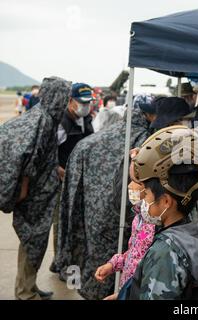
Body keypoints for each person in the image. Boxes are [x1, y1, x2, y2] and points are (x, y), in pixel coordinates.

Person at [55, 95, 154, 300]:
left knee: (96, 268)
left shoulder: (88, 143)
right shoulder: (146, 141)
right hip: (127, 219)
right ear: (148, 114)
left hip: (92, 217)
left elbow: (70, 193)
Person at [121, 126, 198, 300]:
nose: (143, 200)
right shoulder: (190, 234)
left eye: (147, 193)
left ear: (166, 201)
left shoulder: (164, 253)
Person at [0, 77, 72, 300]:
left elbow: (44, 156)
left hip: (41, 194)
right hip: (33, 198)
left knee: (34, 243)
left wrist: (57, 170)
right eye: (65, 95)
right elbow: (27, 157)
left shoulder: (46, 118)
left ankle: (29, 286)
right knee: (32, 242)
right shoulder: (40, 120)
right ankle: (24, 293)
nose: (67, 100)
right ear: (56, 96)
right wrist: (22, 189)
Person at [94, 180, 155, 300]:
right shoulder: (139, 218)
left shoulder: (156, 226)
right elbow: (134, 252)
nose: (129, 185)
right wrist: (112, 264)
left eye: (137, 181)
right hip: (127, 290)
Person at [57, 83, 95, 175]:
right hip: (65, 176)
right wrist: (57, 169)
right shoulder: (61, 124)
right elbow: (49, 152)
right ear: (70, 101)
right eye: (82, 103)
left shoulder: (87, 119)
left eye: (88, 102)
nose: (86, 106)